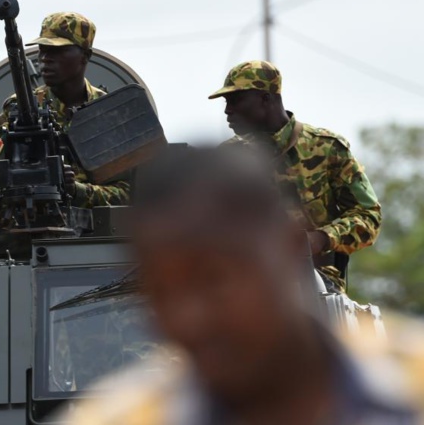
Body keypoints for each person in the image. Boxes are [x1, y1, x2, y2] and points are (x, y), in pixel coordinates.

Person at [58, 147, 424, 425]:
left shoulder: (411, 390)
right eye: (159, 294)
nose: (187, 318)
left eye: (214, 278)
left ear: (289, 250)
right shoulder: (119, 417)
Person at [209, 60, 381, 292]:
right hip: (249, 289)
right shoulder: (228, 158)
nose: (228, 110)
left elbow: (368, 215)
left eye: (236, 100)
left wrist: (320, 239)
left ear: (265, 98)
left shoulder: (325, 147)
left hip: (319, 288)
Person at [0, 12, 130, 207]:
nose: (45, 59)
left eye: (57, 51)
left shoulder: (109, 112)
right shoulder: (15, 109)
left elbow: (128, 193)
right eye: (43, 50)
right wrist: (16, 186)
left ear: (85, 56)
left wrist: (75, 190)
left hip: (96, 233)